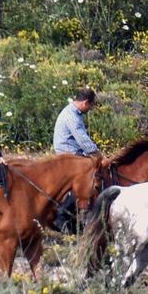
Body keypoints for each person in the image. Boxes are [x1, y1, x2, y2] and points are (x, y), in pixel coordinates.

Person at [51, 89, 100, 232]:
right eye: (90, 106)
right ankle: (62, 215)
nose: (90, 109)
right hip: (69, 155)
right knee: (85, 179)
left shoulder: (73, 113)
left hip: (74, 153)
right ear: (86, 102)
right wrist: (97, 155)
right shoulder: (71, 116)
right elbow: (82, 139)